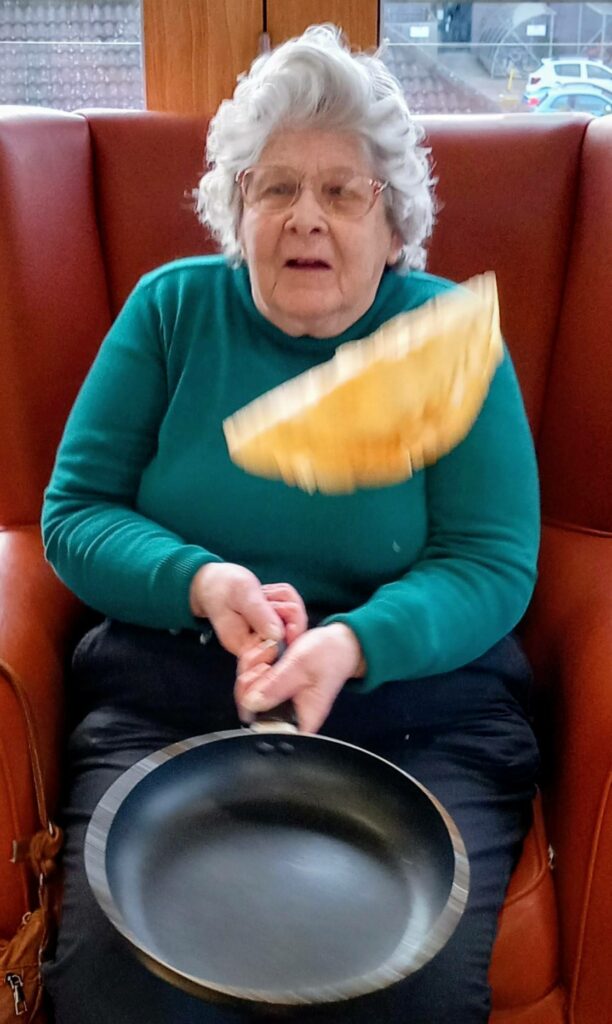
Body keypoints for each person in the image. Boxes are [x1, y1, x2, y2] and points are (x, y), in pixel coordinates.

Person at [40, 23, 540, 1024]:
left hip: (415, 719)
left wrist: (352, 643)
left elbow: (491, 562)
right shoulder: (169, 313)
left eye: (343, 191)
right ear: (238, 212)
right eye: (276, 187)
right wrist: (202, 582)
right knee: (119, 987)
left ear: (394, 226)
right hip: (171, 703)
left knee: (411, 995)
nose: (306, 216)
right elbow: (75, 514)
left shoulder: (447, 338)